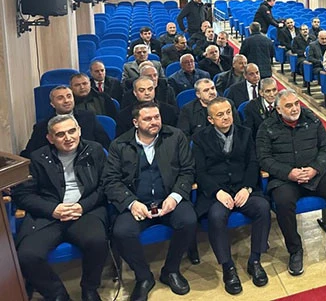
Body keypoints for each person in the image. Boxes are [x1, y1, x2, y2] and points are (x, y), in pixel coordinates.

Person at [104, 101, 197, 300]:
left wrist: (175, 197)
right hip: (138, 203)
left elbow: (187, 170)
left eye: (157, 117)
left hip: (168, 198)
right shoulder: (119, 145)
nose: (154, 122)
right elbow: (111, 181)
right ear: (135, 122)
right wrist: (131, 203)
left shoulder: (175, 136)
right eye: (147, 119)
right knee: (122, 232)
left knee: (188, 220)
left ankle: (171, 270)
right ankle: (143, 277)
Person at [257, 89, 326, 276]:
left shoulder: (312, 120)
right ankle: (295, 250)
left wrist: (315, 168)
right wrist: (289, 173)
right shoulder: (267, 127)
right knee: (283, 201)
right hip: (285, 180)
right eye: (288, 106)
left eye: (296, 104)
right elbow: (263, 158)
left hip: (314, 174)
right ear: (278, 109)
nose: (294, 109)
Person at [14, 115, 108, 301]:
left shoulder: (95, 150)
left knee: (97, 242)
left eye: (72, 131)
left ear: (79, 131)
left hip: (85, 211)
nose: (68, 137)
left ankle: (89, 288)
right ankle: (57, 294)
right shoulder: (37, 158)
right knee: (27, 256)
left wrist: (82, 206)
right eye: (60, 134)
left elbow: (105, 186)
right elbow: (23, 195)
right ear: (50, 138)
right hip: (48, 215)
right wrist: (53, 209)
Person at [192, 97, 270, 295]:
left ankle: (255, 260)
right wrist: (217, 192)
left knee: (262, 207)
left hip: (242, 188)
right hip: (217, 192)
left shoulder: (245, 133)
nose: (226, 117)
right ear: (210, 119)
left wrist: (247, 188)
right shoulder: (200, 138)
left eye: (228, 112)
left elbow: (253, 163)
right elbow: (200, 172)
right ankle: (228, 267)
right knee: (216, 216)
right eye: (220, 115)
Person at [22, 85, 111, 157]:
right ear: (52, 104)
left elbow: (105, 143)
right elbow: (30, 153)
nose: (66, 101)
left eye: (69, 96)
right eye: (60, 98)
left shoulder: (88, 117)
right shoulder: (42, 127)